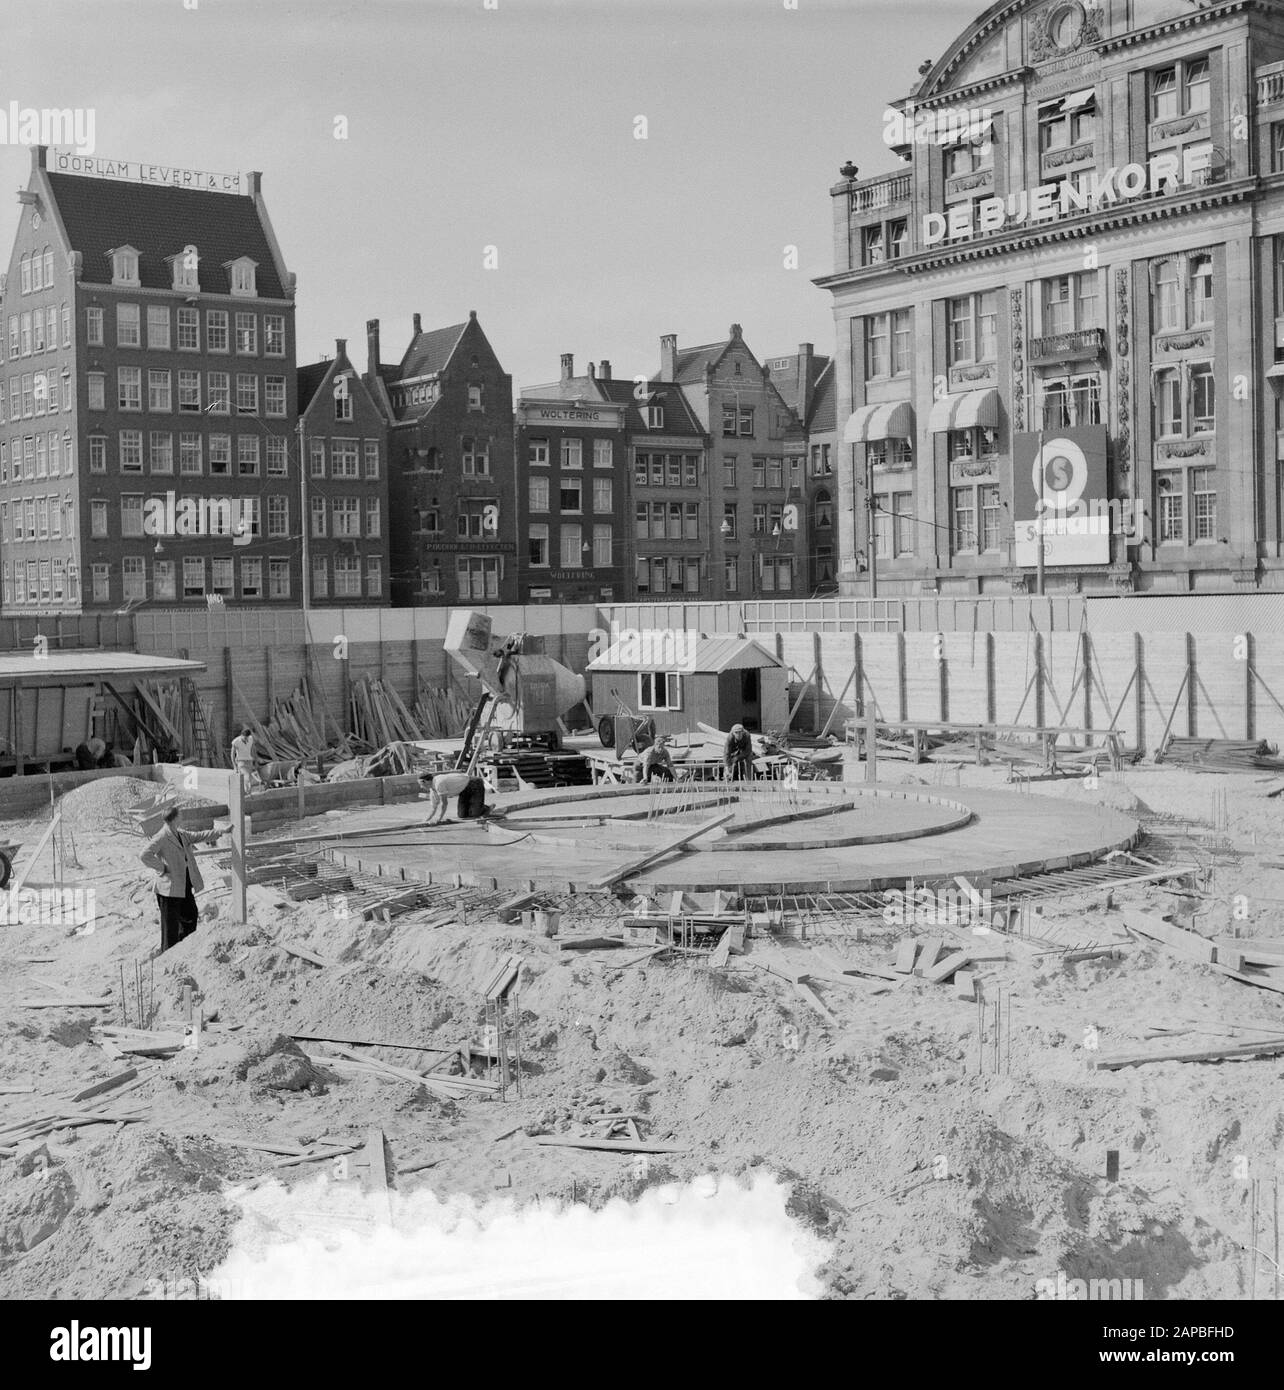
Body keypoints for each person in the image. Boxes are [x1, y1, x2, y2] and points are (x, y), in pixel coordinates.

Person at [140, 806, 222, 953]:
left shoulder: (181, 834)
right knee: (170, 929)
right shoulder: (162, 836)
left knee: (191, 915)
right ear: (175, 818)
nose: (182, 816)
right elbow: (144, 855)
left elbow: (199, 836)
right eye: (180, 815)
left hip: (183, 885)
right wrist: (162, 868)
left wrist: (221, 832)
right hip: (169, 890)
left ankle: (185, 949)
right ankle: (169, 955)